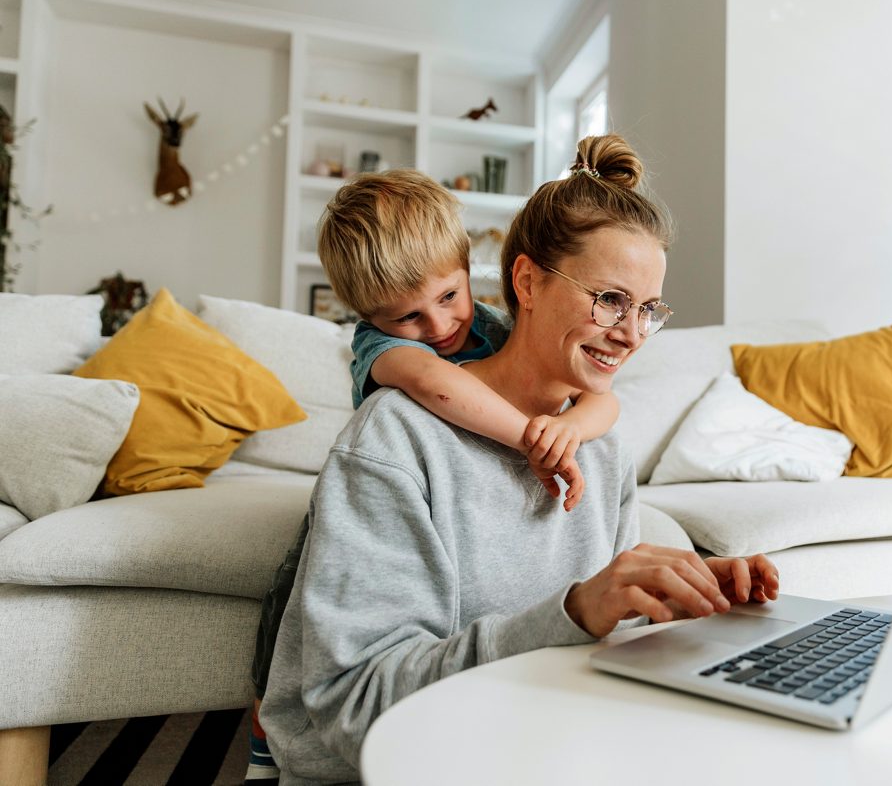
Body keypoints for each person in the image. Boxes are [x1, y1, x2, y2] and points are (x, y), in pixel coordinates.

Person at [258, 135, 779, 784]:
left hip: (552, 742)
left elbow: (595, 635)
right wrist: (575, 611)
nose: (632, 333)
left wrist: (682, 597)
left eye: (648, 309)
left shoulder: (601, 443)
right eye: (610, 299)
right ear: (527, 281)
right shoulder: (396, 436)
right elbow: (350, 706)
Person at [244, 168, 619, 781]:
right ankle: (266, 730)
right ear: (368, 316)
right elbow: (438, 388)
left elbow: (606, 402)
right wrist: (532, 439)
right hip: (353, 512)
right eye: (407, 317)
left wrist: (572, 431)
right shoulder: (382, 349)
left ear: (470, 265)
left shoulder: (496, 325)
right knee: (291, 614)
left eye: (448, 297)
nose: (440, 328)